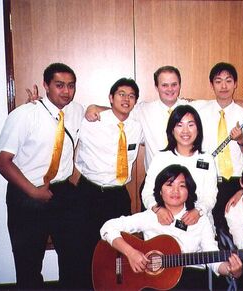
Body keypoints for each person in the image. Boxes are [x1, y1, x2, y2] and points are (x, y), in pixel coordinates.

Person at [0, 63, 85, 289]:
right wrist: (33, 192)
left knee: (73, 258)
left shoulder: (76, 111)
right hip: (26, 193)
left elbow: (106, 112)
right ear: (46, 85)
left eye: (71, 86)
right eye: (59, 85)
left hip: (62, 192)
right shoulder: (25, 114)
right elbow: (1, 162)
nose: (66, 91)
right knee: (28, 263)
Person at [84, 65, 243, 172]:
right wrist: (96, 108)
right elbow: (121, 109)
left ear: (180, 86)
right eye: (164, 85)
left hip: (185, 181)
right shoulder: (143, 109)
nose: (170, 89)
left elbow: (223, 101)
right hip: (154, 180)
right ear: (156, 87)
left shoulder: (194, 107)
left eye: (174, 84)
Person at [100, 164, 243, 290]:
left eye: (182, 186)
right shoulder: (150, 216)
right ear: (160, 191)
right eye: (169, 185)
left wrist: (232, 270)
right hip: (153, 282)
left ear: (189, 191)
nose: (175, 191)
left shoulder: (200, 220)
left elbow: (215, 261)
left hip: (191, 280)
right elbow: (107, 228)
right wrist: (131, 253)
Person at [74, 78, 143, 287]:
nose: (126, 99)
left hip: (118, 195)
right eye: (121, 94)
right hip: (89, 192)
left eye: (131, 96)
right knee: (85, 247)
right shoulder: (90, 121)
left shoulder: (136, 127)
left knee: (117, 250)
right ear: (110, 98)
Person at [198, 62, 243, 236]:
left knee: (234, 232)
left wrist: (241, 140)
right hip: (207, 179)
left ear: (235, 84)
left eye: (228, 80)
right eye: (218, 81)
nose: (224, 86)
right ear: (211, 85)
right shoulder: (200, 110)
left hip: (234, 182)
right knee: (208, 231)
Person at [141, 105, 218, 227]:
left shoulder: (207, 159)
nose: (185, 131)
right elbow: (147, 193)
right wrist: (158, 209)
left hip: (199, 223)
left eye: (191, 125)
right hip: (164, 223)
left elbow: (211, 195)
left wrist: (198, 211)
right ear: (172, 130)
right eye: (179, 125)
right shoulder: (161, 158)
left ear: (198, 129)